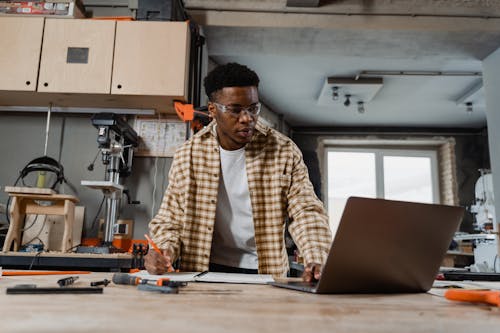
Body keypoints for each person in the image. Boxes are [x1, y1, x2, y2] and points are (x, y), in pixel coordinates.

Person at [145, 62, 331, 281]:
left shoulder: (283, 150)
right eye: (235, 110)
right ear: (213, 110)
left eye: (253, 108)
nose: (247, 118)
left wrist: (316, 257)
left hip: (266, 272)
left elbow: (305, 211)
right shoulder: (189, 154)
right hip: (202, 270)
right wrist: (163, 250)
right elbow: (171, 219)